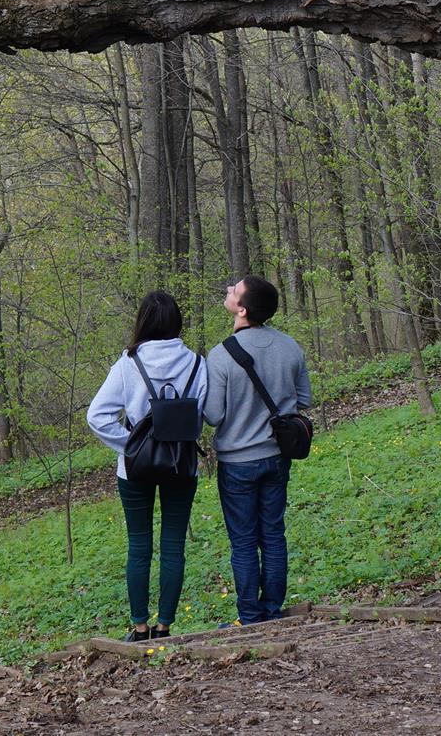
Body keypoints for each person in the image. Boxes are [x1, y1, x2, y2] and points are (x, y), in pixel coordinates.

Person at [86, 291, 205, 642]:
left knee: (139, 545)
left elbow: (97, 417)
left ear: (142, 322)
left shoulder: (127, 364)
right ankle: (165, 626)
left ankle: (139, 628)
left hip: (134, 470)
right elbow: (204, 414)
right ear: (176, 323)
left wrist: (131, 445)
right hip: (182, 466)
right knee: (173, 544)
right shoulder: (197, 363)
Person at [203, 275, 311, 624]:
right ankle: (272, 610)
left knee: (245, 541)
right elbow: (303, 400)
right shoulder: (289, 346)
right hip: (277, 458)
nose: (227, 291)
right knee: (273, 534)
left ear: (243, 309)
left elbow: (214, 415)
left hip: (236, 463)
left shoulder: (220, 356)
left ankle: (250, 616)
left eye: (233, 290)